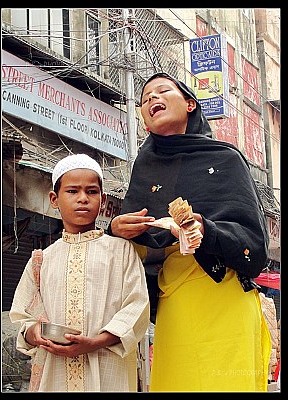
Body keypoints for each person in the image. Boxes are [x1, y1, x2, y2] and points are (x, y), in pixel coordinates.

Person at [107, 72, 272, 392]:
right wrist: (117, 230)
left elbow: (255, 245)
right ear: (143, 120)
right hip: (174, 304)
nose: (153, 98)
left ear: (190, 104)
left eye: (163, 90)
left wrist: (206, 230)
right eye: (145, 98)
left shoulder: (226, 158)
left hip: (223, 298)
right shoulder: (144, 169)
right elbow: (133, 253)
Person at [9, 153, 150, 392]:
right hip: (55, 374)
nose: (82, 199)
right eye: (72, 191)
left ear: (103, 200)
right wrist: (35, 333)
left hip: (109, 370)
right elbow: (23, 318)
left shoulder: (121, 250)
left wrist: (95, 342)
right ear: (54, 198)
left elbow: (137, 307)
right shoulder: (41, 260)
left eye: (91, 192)